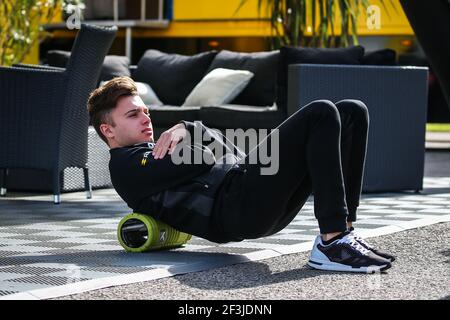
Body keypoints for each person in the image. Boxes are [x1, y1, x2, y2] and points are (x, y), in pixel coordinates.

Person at [88, 76, 395, 273]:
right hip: (234, 206)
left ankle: (344, 231)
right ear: (108, 130)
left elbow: (226, 150)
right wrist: (190, 134)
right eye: (133, 114)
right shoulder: (127, 165)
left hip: (249, 191)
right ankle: (332, 241)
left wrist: (188, 128)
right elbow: (205, 158)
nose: (146, 119)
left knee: (352, 111)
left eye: (146, 112)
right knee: (320, 112)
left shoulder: (159, 148)